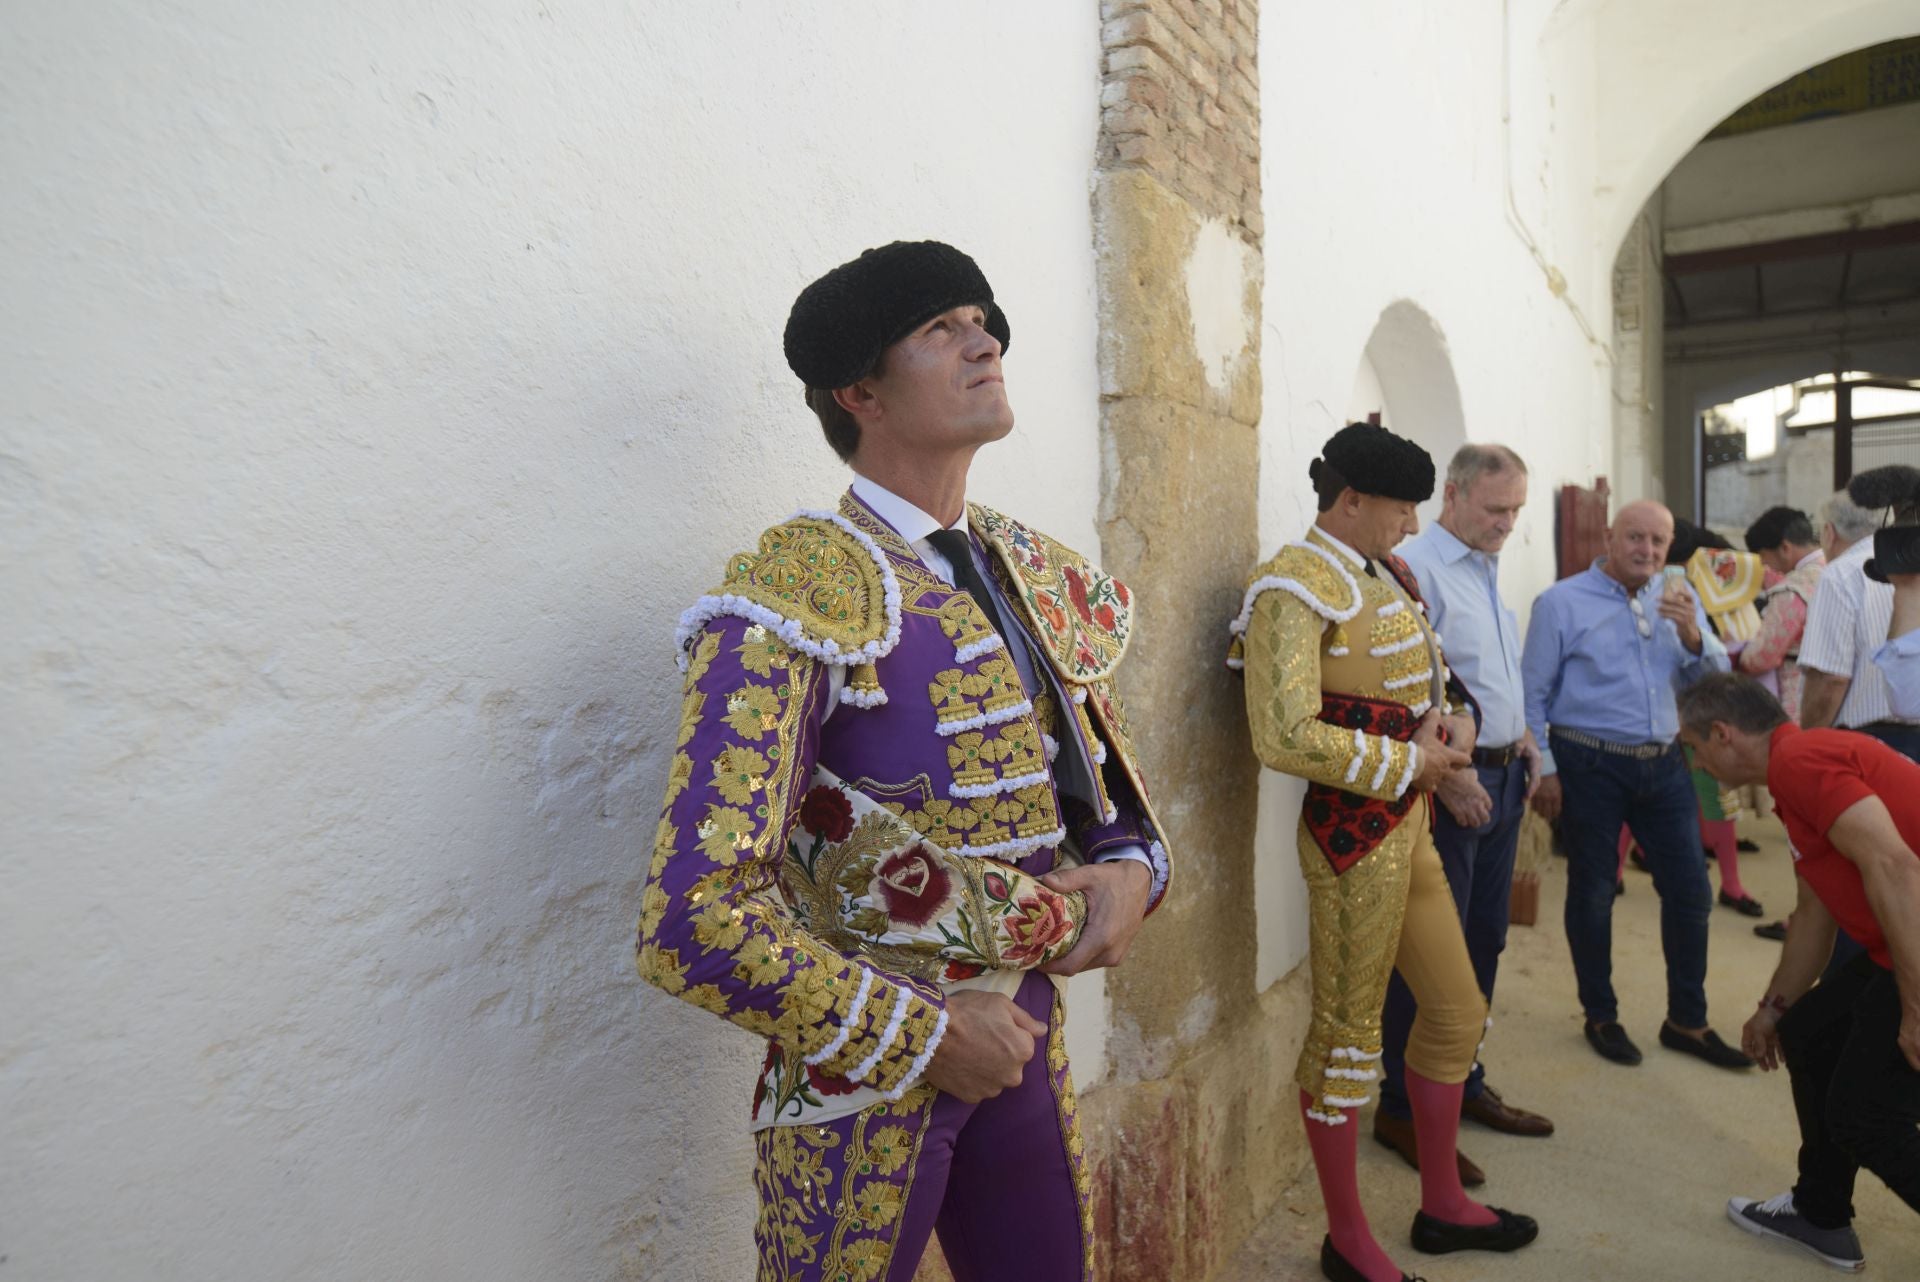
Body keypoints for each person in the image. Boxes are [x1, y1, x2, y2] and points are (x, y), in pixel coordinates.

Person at [635, 241, 1173, 1282]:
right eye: (940, 327)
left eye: (983, 318)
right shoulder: (788, 597)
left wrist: (1129, 872)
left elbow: (1111, 807)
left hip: (1025, 1032)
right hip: (859, 1073)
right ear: (860, 392)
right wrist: (924, 1036)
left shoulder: (1031, 573)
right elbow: (691, 916)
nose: (985, 339)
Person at [1231, 423, 1538, 1282]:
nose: (1411, 526)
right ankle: (1347, 1240)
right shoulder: (1292, 586)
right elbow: (1282, 734)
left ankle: (1443, 1205)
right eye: (1399, 509)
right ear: (1351, 500)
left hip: (1409, 826)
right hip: (1350, 840)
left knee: (1456, 1012)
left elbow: (1429, 682)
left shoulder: (1384, 573)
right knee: (1344, 1042)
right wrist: (1413, 763)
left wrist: (1452, 724)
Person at [1676, 674, 1920, 1274]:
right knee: (1810, 1033)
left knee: (1865, 1116)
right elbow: (1813, 914)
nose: (1697, 765)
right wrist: (1772, 1009)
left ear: (1723, 734)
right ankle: (1820, 1212)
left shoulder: (1802, 761)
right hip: (1896, 947)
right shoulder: (1795, 770)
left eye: (1695, 749)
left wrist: (1916, 1005)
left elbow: (1895, 865)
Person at [1372, 444, 1553, 1188]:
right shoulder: (1417, 569)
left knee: (1483, 942)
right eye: (1496, 508)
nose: (1508, 523)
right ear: (1453, 495)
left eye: (1516, 510)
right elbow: (1404, 691)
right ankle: (1402, 1110)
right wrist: (1450, 780)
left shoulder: (1481, 564)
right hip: (1456, 788)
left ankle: (1461, 1084)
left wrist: (1522, 734)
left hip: (1505, 778)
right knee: (1429, 958)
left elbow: (1479, 674)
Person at [1522, 500, 1750, 1070]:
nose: (1646, 550)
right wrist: (1544, 768)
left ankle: (1687, 1021)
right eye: (1635, 537)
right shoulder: (1560, 603)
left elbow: (1715, 683)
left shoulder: (1678, 596)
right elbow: (1532, 695)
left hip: (1665, 763)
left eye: (1657, 541)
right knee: (1594, 892)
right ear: (1609, 537)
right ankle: (1600, 1015)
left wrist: (1693, 634)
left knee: (1691, 893)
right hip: (1589, 764)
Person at [1799, 488, 1919, 758]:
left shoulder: (1839, 574)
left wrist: (1807, 742)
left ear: (1829, 532)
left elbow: (1830, 678)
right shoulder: (1912, 566)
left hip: (1864, 744)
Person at [1741, 505, 1825, 721]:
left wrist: (1736, 649)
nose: (1763, 564)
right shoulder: (1841, 569)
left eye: (1763, 556)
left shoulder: (1794, 587)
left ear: (1785, 548)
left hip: (1801, 699)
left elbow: (1761, 657)